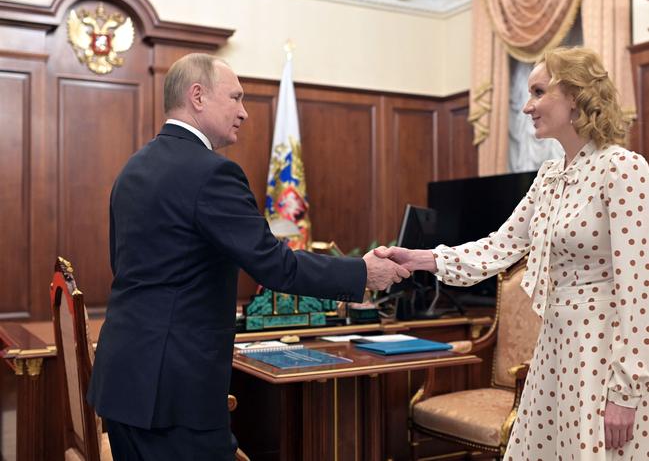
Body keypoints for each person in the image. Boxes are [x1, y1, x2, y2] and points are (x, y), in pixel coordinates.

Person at [87, 53, 409, 461]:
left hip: (123, 382)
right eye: (236, 98)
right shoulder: (210, 172)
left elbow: (129, 269)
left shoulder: (132, 169)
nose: (243, 112)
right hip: (175, 392)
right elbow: (276, 266)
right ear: (198, 96)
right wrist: (362, 272)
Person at [375, 46, 649, 459]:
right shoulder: (549, 176)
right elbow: (499, 246)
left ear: (575, 95)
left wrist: (626, 392)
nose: (526, 107)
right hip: (556, 348)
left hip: (602, 356)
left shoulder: (623, 169)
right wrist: (420, 259)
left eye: (538, 92)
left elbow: (640, 291)